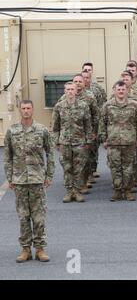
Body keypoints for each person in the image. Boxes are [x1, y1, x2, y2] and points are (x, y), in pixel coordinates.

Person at [4, 100, 55, 263]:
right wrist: (9, 177)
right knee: (23, 217)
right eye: (23, 108)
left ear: (33, 110)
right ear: (20, 110)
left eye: (28, 108)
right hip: (19, 180)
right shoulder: (12, 131)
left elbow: (51, 153)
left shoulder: (42, 130)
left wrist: (49, 175)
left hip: (37, 179)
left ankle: (40, 248)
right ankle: (25, 249)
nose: (26, 111)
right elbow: (7, 157)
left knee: (39, 217)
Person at [98, 80, 137, 201]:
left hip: (129, 141)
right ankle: (118, 191)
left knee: (129, 168)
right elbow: (102, 123)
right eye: (119, 89)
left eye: (123, 89)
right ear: (114, 90)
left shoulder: (134, 105)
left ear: (127, 91)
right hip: (113, 142)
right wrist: (104, 139)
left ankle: (128, 191)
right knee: (115, 167)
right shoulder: (108, 105)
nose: (121, 92)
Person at [52, 82, 92, 203]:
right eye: (68, 89)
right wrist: (57, 142)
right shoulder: (59, 106)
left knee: (79, 168)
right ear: (65, 91)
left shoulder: (83, 106)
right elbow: (55, 127)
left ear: (76, 91)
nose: (70, 91)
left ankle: (77, 191)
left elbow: (88, 125)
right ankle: (69, 192)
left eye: (72, 89)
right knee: (67, 168)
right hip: (65, 142)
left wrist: (88, 140)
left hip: (79, 141)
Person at [81, 64, 107, 178]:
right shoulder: (75, 89)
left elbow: (103, 103)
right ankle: (85, 174)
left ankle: (93, 168)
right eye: (85, 71)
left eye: (89, 71)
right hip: (81, 126)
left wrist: (99, 125)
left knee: (93, 147)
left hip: (93, 123)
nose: (87, 73)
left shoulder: (97, 88)